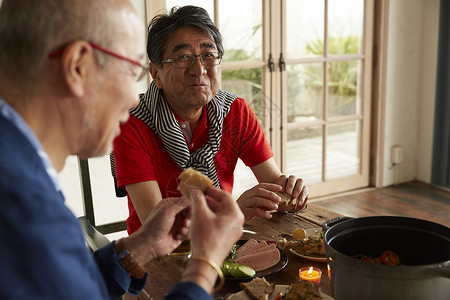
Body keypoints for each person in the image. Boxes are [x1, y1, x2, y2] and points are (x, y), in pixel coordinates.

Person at [0, 0, 244, 299]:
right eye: (131, 71)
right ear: (78, 66)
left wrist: (141, 246)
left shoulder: (18, 164)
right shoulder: (24, 209)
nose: (133, 100)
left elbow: (71, 287)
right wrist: (206, 263)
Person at [112, 5, 310, 234]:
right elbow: (156, 228)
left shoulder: (235, 111)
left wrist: (293, 193)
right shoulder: (131, 123)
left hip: (221, 239)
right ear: (156, 73)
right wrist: (235, 211)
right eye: (182, 57)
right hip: (156, 255)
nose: (199, 69)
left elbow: (277, 189)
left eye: (208, 55)